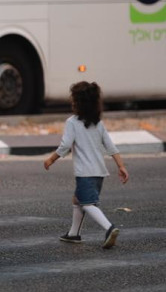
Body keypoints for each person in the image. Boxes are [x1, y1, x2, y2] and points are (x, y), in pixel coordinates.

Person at [43, 81, 129, 248]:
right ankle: (74, 234)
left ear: (78, 103)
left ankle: (109, 228)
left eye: (73, 100)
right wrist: (121, 166)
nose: (72, 102)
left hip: (85, 173)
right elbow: (111, 147)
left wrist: (51, 159)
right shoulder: (99, 123)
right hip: (99, 173)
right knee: (77, 200)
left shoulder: (72, 122)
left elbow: (65, 145)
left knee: (87, 204)